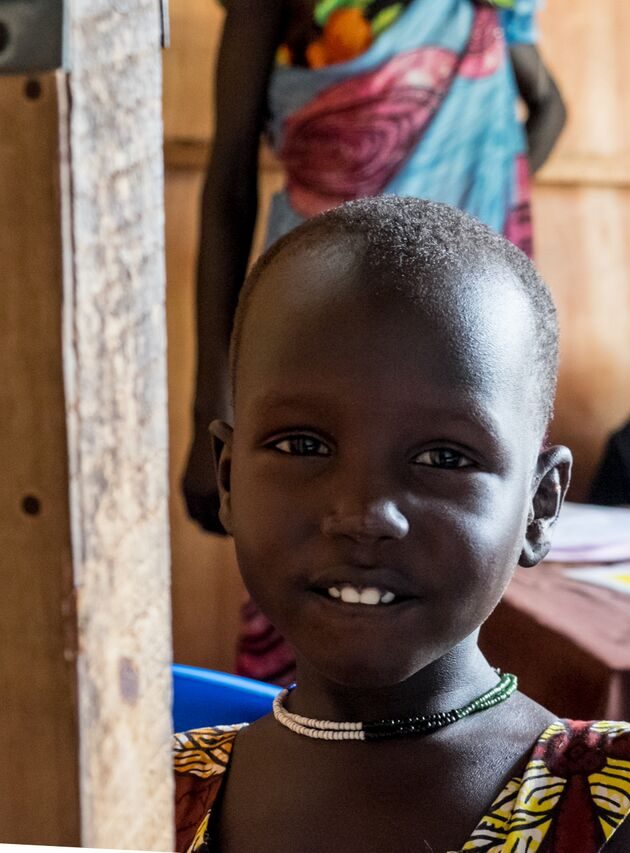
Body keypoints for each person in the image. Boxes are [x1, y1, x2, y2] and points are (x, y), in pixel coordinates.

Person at [172, 197, 630, 852]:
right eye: (302, 445)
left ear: (539, 505)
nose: (364, 514)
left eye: (444, 458)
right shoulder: (156, 790)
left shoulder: (602, 807)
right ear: (226, 479)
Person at [183, 0, 566, 534]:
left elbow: (550, 106)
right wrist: (207, 409)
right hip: (320, 315)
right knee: (310, 534)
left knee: (449, 531)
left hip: (458, 329)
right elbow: (228, 191)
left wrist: (477, 195)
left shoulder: (483, 8)